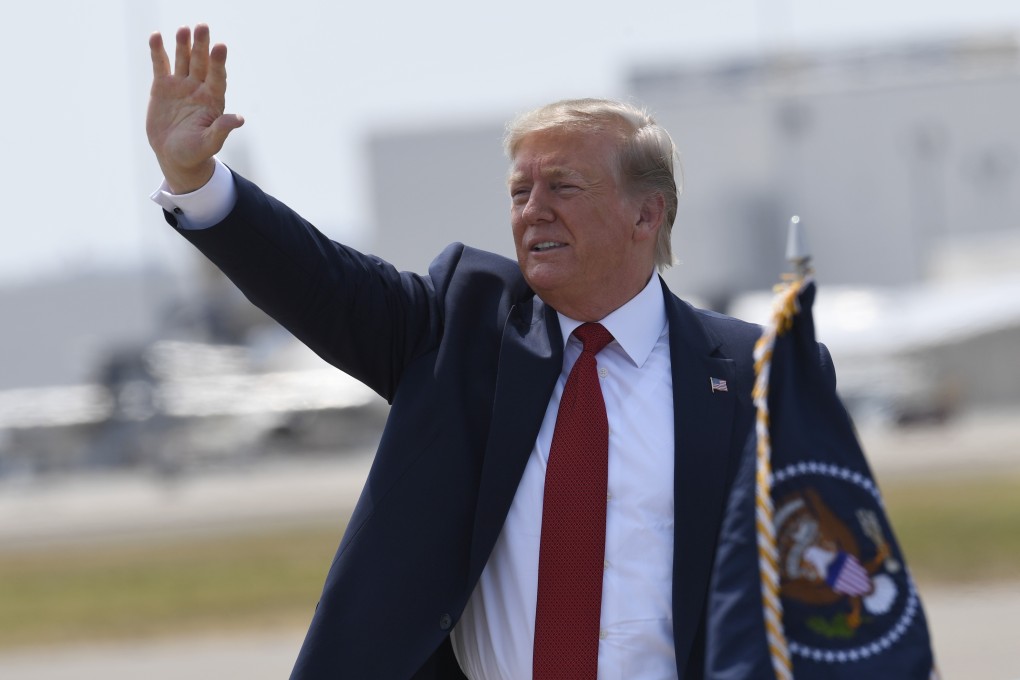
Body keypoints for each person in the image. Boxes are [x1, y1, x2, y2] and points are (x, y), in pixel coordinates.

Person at [147, 24, 761, 680]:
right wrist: (199, 180)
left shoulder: (754, 373)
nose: (533, 212)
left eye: (564, 188)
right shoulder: (459, 328)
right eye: (520, 192)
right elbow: (322, 281)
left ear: (647, 215)